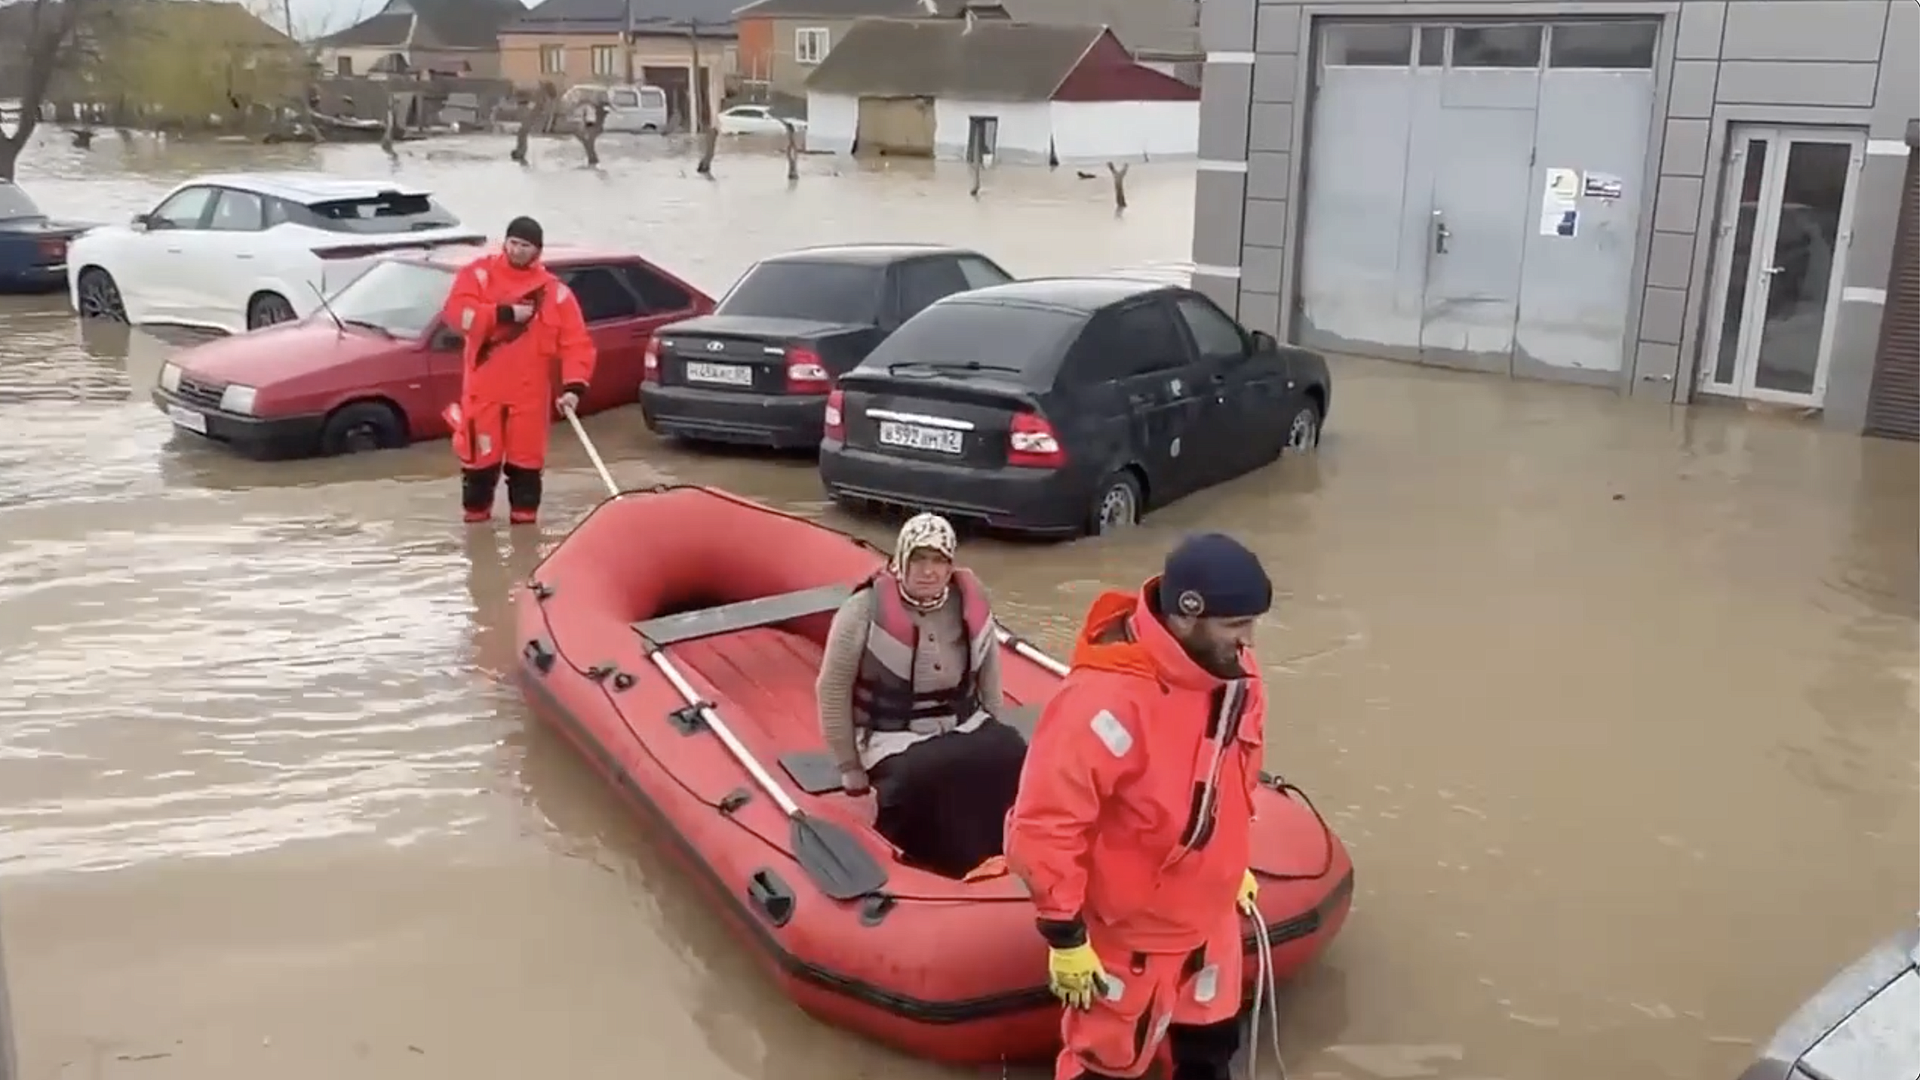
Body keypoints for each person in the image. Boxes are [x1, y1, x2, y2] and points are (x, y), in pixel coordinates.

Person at [1005, 533, 1273, 1080]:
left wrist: (1233, 860)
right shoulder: (1102, 701)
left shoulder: (1236, 681)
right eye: (1234, 626)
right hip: (1132, 931)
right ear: (1186, 615)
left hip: (1209, 920)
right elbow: (1047, 822)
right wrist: (1064, 934)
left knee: (1213, 1053)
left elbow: (1235, 778)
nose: (1247, 641)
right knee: (1105, 1064)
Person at [815, 512, 1029, 879]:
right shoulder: (862, 609)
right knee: (922, 774)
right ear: (902, 559)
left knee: (1010, 750)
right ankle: (924, 862)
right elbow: (832, 688)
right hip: (891, 733)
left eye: (938, 561)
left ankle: (1000, 849)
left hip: (959, 719)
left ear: (950, 567)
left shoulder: (968, 602)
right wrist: (849, 767)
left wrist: (989, 726)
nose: (928, 571)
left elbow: (989, 671)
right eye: (919, 559)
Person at [442, 215, 595, 525]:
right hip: (483, 391)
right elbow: (457, 314)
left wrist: (573, 388)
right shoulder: (479, 275)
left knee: (526, 468)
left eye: (525, 245)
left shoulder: (555, 293)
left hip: (530, 395)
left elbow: (576, 344)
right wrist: (502, 313)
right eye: (513, 243)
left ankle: (525, 543)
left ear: (537, 250)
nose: (517, 250)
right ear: (505, 242)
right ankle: (477, 544)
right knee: (478, 466)